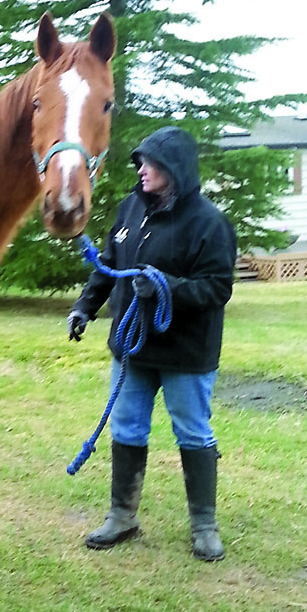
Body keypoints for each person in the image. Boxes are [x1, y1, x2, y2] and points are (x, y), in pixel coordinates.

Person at [67, 126, 237, 561]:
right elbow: (107, 266)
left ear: (174, 170)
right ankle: (122, 516)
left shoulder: (209, 223)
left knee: (193, 432)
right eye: (140, 162)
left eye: (150, 163)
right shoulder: (129, 211)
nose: (141, 170)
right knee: (126, 428)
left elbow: (217, 288)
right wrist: (85, 307)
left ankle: (204, 526)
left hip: (185, 353)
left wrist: (167, 288)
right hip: (132, 348)